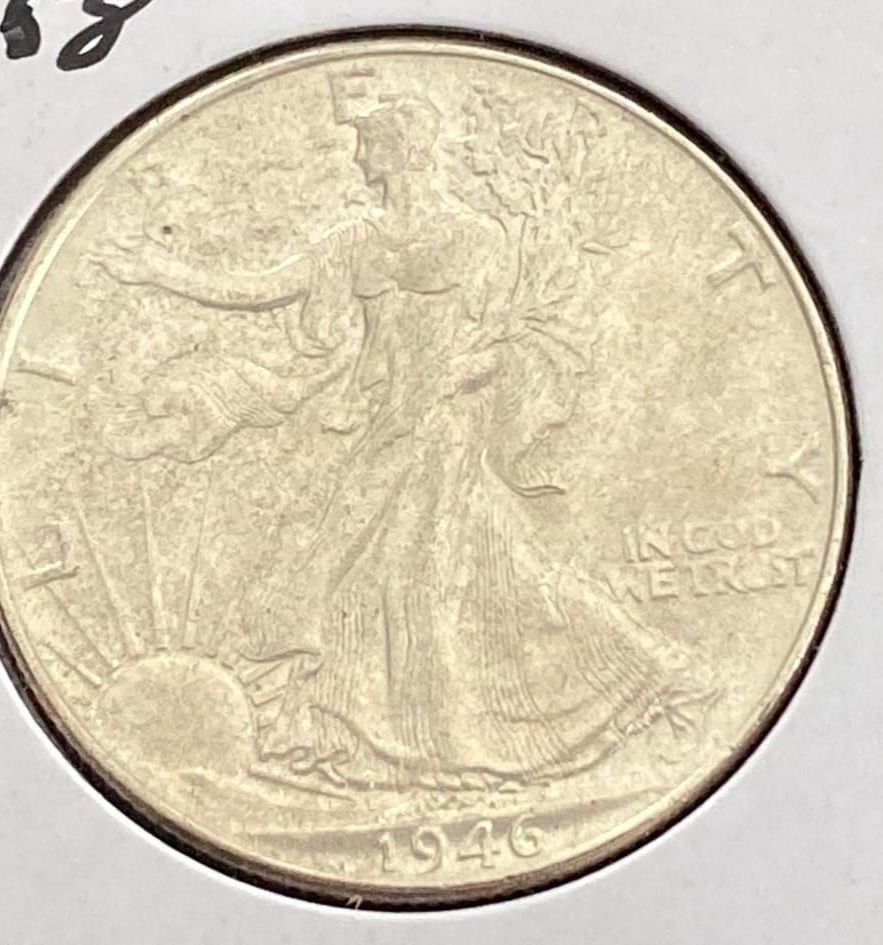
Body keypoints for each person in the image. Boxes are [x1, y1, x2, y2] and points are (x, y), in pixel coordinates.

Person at [92, 96, 717, 792]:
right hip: (385, 425)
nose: (361, 157)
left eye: (371, 143)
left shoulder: (477, 238)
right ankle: (392, 744)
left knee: (426, 571)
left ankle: (632, 682)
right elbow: (262, 289)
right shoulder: (354, 242)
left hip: (446, 428)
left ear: (404, 149)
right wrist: (160, 271)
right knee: (417, 573)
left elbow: (507, 337)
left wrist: (465, 375)